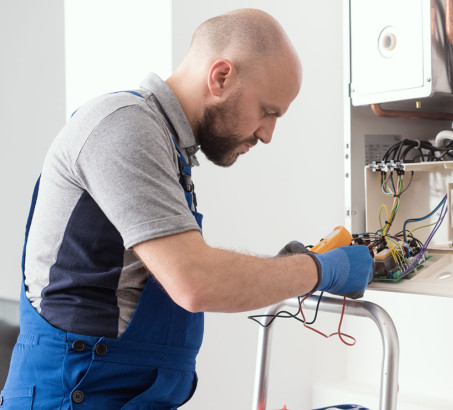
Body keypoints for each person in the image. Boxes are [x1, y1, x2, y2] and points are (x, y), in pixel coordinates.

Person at [0, 8, 373, 409]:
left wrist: (290, 269)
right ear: (221, 76)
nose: (267, 134)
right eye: (268, 111)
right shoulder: (124, 126)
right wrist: (322, 270)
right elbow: (195, 281)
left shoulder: (166, 147)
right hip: (74, 395)